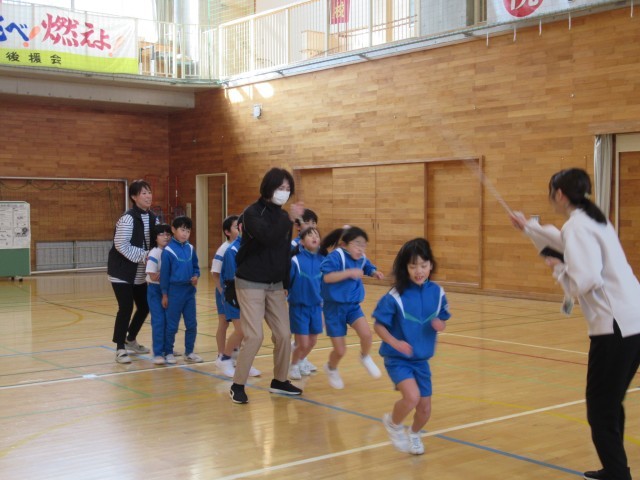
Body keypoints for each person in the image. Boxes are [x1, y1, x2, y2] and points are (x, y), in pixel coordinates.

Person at [510, 168, 640, 480]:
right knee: (610, 402)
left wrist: (559, 269)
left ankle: (618, 474)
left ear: (559, 194)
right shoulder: (594, 219)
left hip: (615, 327)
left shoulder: (578, 226)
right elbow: (564, 240)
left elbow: (586, 278)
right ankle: (615, 469)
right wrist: (529, 227)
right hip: (633, 321)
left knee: (600, 406)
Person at [229, 167, 305, 404]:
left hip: (275, 284)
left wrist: (286, 283)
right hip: (250, 281)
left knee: (283, 334)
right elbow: (269, 237)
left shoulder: (283, 218)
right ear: (268, 187)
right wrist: (289, 220)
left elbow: (284, 252)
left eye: (288, 189)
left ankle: (280, 380)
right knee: (254, 336)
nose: (284, 192)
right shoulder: (252, 213)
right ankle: (237, 384)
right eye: (280, 187)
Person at [372, 238, 450, 455]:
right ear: (405, 267)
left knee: (425, 410)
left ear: (431, 265)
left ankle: (414, 433)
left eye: (423, 265)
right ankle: (393, 424)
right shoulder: (395, 296)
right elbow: (379, 325)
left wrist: (440, 324)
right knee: (412, 397)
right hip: (398, 358)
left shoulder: (437, 293)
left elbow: (443, 318)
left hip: (421, 360)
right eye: (413, 266)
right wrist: (395, 342)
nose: (419, 271)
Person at [319, 226, 385, 389]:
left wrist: (374, 272)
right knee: (340, 351)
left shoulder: (361, 258)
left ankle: (365, 356)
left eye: (364, 245)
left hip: (352, 306)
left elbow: (367, 266)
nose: (361, 249)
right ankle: (331, 368)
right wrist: (349, 273)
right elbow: (327, 277)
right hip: (334, 309)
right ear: (345, 244)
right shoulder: (336, 256)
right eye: (357, 244)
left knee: (367, 335)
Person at [107, 179, 158, 364]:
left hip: (140, 272)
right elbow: (121, 245)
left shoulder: (153, 217)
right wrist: (145, 255)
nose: (148, 196)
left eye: (149, 192)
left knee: (144, 306)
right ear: (134, 197)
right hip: (121, 272)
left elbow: (158, 240)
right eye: (144, 193)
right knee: (126, 307)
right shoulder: (127, 218)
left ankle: (130, 339)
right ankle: (120, 348)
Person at [216, 216, 261, 379]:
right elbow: (232, 277)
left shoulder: (253, 248)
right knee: (241, 330)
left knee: (250, 333)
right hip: (234, 294)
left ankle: (244, 362)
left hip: (250, 295)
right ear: (241, 228)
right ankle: (225, 359)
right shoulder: (231, 250)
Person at [160, 216, 203, 365]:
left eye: (188, 231)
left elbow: (196, 267)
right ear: (173, 230)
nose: (185, 234)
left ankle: (189, 352)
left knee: (192, 324)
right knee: (172, 325)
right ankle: (168, 352)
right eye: (182, 230)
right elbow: (164, 275)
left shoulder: (191, 248)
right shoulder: (168, 251)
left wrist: (196, 276)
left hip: (189, 292)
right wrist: (164, 294)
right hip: (174, 292)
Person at [288, 226, 324, 380]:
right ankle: (294, 365)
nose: (314, 237)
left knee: (312, 341)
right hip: (299, 307)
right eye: (310, 235)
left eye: (316, 235)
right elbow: (287, 283)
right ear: (302, 242)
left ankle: (301, 360)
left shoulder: (323, 261)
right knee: (302, 342)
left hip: (316, 307)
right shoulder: (295, 260)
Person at [211, 215, 239, 360]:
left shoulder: (240, 247)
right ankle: (221, 354)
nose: (239, 228)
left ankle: (234, 351)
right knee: (223, 323)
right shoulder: (223, 249)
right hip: (225, 292)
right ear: (227, 232)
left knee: (239, 324)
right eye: (235, 227)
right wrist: (223, 293)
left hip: (238, 292)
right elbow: (215, 274)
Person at [145, 223, 173, 365]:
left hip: (170, 290)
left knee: (170, 322)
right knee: (159, 321)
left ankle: (168, 350)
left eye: (168, 234)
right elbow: (153, 275)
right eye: (161, 234)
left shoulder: (171, 251)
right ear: (155, 238)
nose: (165, 237)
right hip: (155, 290)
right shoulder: (154, 253)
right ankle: (157, 352)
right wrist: (168, 275)